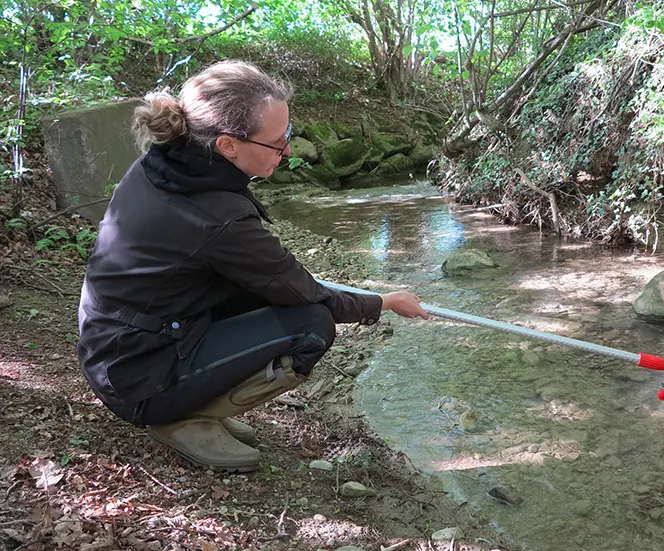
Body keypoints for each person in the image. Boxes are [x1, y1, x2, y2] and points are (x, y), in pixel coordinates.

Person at [76, 60, 428, 472]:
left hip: (118, 346)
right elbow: (304, 294)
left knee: (262, 292)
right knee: (311, 324)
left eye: (289, 135)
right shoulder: (218, 216)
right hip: (137, 378)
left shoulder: (167, 164)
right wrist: (383, 302)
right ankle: (178, 415)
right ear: (228, 145)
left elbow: (269, 276)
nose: (288, 150)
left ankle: (195, 396)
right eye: (278, 142)